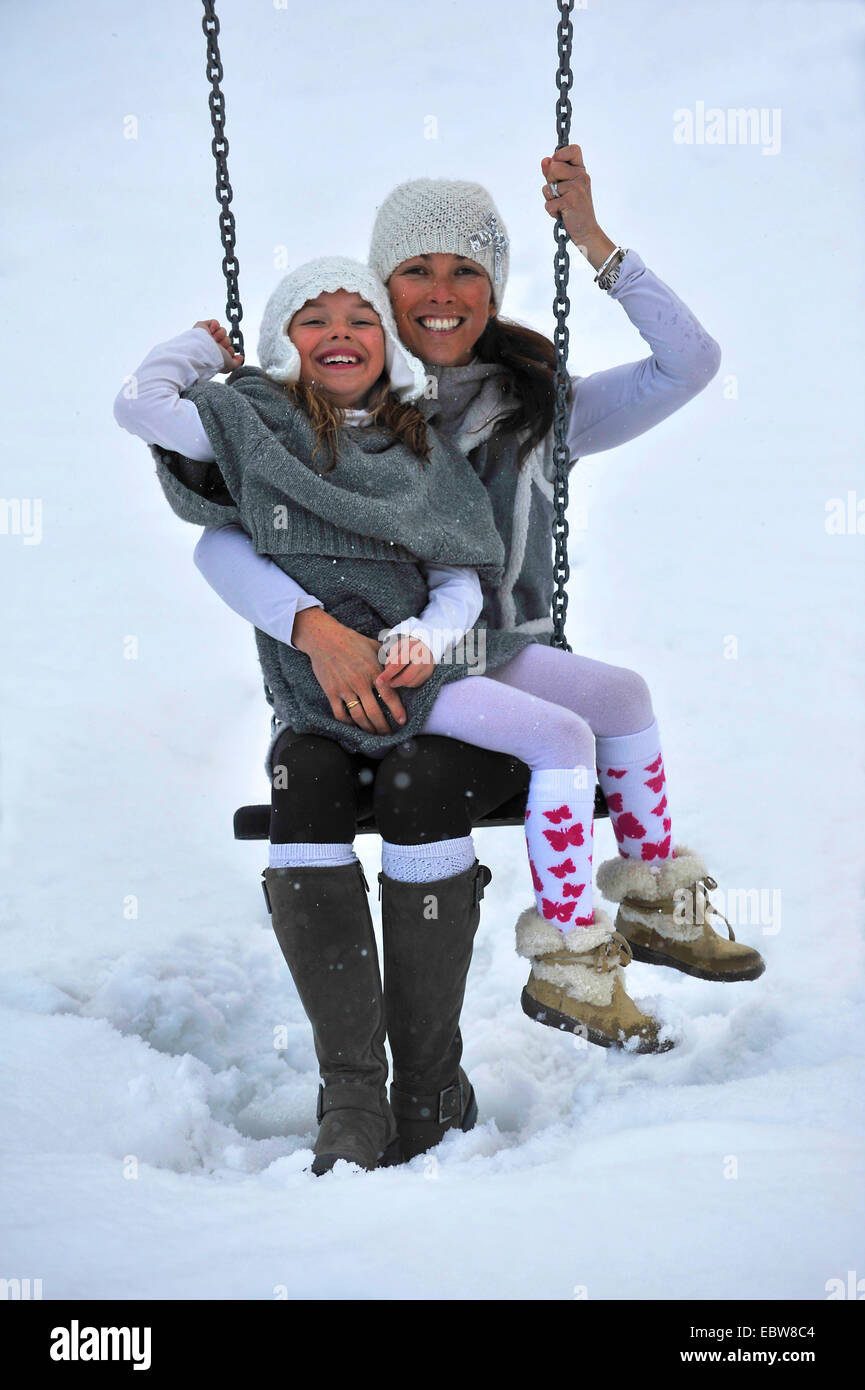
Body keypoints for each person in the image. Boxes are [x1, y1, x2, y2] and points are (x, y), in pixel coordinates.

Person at [115, 154, 765, 1169]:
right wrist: (315, 631)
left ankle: (453, 1065)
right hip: (347, 683)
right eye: (413, 272)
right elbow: (220, 528)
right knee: (312, 774)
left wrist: (596, 243)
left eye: (466, 270)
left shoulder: (536, 408)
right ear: (380, 291)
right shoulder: (306, 414)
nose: (442, 292)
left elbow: (689, 363)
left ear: (493, 289)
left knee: (450, 769)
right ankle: (354, 1101)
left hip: (485, 674)